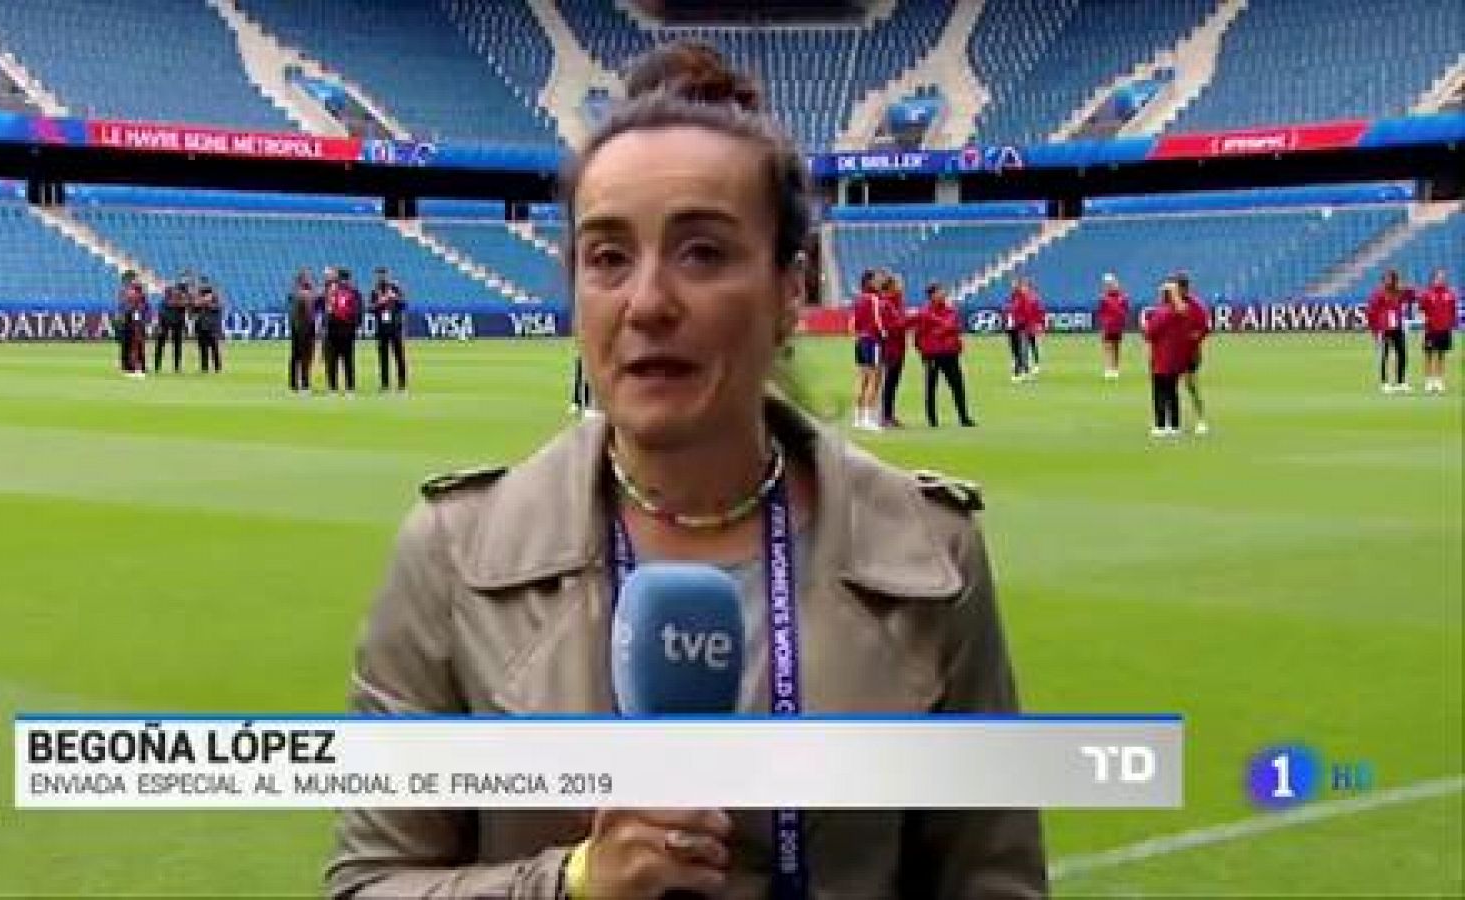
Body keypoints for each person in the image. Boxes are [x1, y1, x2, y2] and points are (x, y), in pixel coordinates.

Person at [327, 39, 1046, 899]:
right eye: (607, 257)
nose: (648, 302)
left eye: (703, 252)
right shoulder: (453, 554)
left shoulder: (931, 555)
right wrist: (575, 882)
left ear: (792, 288)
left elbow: (993, 882)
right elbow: (369, 885)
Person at [912, 282, 976, 427]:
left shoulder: (950, 310)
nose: (944, 293)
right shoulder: (924, 312)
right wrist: (924, 351)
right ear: (932, 295)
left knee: (957, 385)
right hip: (932, 354)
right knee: (931, 386)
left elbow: (954, 326)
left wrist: (937, 332)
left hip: (950, 353)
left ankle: (964, 417)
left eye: (943, 291)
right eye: (940, 291)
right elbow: (919, 335)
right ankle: (932, 420)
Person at [1144, 280, 1190, 438]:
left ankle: (1160, 425)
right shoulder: (1182, 311)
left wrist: (1145, 323)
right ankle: (1175, 425)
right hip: (1176, 357)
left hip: (1161, 357)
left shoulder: (1161, 312)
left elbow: (1150, 334)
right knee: (1172, 391)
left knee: (1159, 391)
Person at [1173, 272, 1210, 434]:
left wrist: (1194, 337)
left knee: (1191, 386)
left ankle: (1201, 419)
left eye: (1177, 287)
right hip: (1171, 352)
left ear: (1183, 287)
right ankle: (1172, 421)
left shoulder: (1196, 306)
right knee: (1169, 387)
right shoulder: (1171, 304)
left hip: (1190, 353)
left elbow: (1205, 329)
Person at [1365, 268, 1412, 394]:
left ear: (1394, 279)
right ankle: (1385, 383)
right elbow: (1371, 312)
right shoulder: (1378, 294)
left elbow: (1413, 296)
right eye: (1386, 278)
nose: (1388, 280)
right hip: (1384, 329)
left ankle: (1401, 382)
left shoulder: (1399, 292)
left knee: (1402, 354)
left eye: (1391, 278)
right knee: (1384, 356)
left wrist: (1407, 287)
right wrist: (1375, 331)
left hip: (1397, 327)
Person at [849, 269, 885, 429]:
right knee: (874, 379)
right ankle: (868, 418)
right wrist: (884, 333)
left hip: (860, 340)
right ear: (870, 282)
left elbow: (852, 323)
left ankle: (857, 417)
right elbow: (877, 321)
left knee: (862, 379)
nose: (880, 282)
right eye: (877, 279)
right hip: (872, 340)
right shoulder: (873, 299)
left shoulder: (858, 299)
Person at [323, 267, 361, 394]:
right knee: (347, 359)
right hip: (345, 330)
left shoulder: (334, 291)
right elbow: (358, 312)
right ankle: (349, 387)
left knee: (333, 359)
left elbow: (328, 309)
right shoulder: (352, 292)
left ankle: (334, 388)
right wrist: (354, 327)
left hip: (335, 329)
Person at [370, 266, 408, 393]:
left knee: (399, 356)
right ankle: (385, 384)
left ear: (388, 275)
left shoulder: (396, 288)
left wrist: (394, 297)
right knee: (383, 357)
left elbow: (404, 304)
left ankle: (402, 384)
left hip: (395, 327)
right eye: (379, 275)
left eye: (383, 275)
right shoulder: (375, 291)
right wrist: (379, 303)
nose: (381, 277)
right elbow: (370, 309)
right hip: (381, 328)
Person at [878, 271, 908, 428]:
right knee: (889, 382)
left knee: (893, 382)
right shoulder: (886, 304)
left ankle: (889, 415)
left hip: (899, 347)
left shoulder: (897, 303)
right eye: (899, 284)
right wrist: (911, 320)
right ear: (891, 286)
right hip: (891, 348)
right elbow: (892, 326)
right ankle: (885, 416)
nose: (902, 286)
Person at [1419, 268, 1456, 393]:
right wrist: (1426, 321)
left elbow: (1453, 311)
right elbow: (1421, 310)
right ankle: (1429, 381)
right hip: (1431, 330)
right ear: (1433, 279)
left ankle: (1439, 381)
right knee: (1429, 355)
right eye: (1438, 277)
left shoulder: (1450, 294)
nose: (1441, 279)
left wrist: (1450, 323)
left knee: (1441, 355)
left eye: (1443, 277)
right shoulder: (1427, 294)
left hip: (1445, 329)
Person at [287, 268, 318, 393]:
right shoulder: (304, 294)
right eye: (308, 277)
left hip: (297, 327)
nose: (310, 279)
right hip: (305, 329)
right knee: (305, 356)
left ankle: (294, 384)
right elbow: (309, 311)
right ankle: (304, 384)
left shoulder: (295, 293)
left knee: (296, 356)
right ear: (303, 279)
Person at [154, 272, 190, 374]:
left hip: (177, 321)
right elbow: (171, 303)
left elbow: (187, 305)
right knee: (162, 343)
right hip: (166, 320)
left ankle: (176, 367)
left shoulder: (185, 293)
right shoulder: (173, 292)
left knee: (176, 344)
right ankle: (157, 366)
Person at [115, 270, 148, 378]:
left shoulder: (141, 294)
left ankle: (140, 367)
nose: (136, 281)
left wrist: (143, 316)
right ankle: (129, 367)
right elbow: (123, 307)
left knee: (138, 344)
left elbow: (145, 307)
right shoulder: (124, 292)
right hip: (128, 322)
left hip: (137, 323)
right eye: (134, 279)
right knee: (128, 345)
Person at [1097, 273, 1129, 380]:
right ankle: (1108, 369)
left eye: (1112, 284)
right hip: (1107, 327)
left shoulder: (1123, 297)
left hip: (1118, 327)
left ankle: (1115, 369)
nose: (1110, 286)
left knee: (1116, 348)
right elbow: (1101, 313)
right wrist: (1103, 325)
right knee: (1107, 347)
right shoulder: (1103, 299)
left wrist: (1122, 323)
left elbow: (1125, 311)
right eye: (1108, 284)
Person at [1002, 277, 1033, 382]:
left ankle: (1020, 372)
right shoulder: (1011, 298)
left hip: (1021, 327)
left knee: (1022, 349)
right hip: (1011, 328)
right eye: (1012, 284)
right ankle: (1024, 370)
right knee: (1015, 350)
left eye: (1015, 284)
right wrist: (1006, 322)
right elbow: (1006, 311)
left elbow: (1027, 312)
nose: (1013, 286)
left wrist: (1026, 324)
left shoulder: (1023, 298)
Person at [192, 277, 224, 374]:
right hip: (201, 326)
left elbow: (218, 307)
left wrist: (206, 302)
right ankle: (204, 368)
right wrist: (199, 302)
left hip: (212, 326)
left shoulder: (215, 297)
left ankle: (217, 368)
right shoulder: (198, 297)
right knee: (203, 348)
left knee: (214, 347)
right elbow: (194, 309)